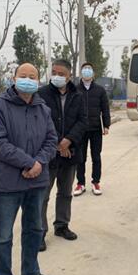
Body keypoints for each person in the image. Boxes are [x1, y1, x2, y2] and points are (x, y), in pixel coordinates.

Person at [0, 63, 58, 275]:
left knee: (34, 229)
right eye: (23, 76)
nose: (28, 80)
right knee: (3, 235)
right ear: (14, 78)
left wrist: (39, 162)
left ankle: (30, 271)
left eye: (33, 76)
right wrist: (29, 162)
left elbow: (51, 140)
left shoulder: (42, 109)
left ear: (38, 80)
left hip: (37, 181)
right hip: (8, 183)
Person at [38, 59, 87, 251]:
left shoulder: (78, 96)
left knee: (65, 192)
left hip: (70, 153)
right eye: (54, 72)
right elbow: (41, 121)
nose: (56, 76)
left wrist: (69, 140)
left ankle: (62, 225)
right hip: (48, 153)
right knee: (43, 195)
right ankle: (39, 232)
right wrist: (59, 143)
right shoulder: (42, 94)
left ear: (69, 76)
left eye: (61, 74)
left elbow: (83, 121)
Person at [74, 62, 111, 197]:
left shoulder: (100, 90)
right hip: (80, 130)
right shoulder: (75, 90)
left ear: (93, 73)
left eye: (89, 69)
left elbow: (105, 108)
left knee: (96, 157)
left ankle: (96, 182)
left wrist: (106, 125)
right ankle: (80, 183)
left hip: (95, 129)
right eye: (85, 69)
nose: (87, 71)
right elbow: (71, 110)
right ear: (81, 73)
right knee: (80, 158)